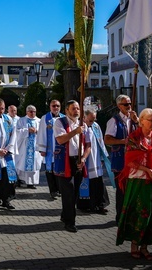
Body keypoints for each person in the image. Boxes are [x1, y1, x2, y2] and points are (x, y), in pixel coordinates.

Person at [115, 108, 152, 260]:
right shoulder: (134, 138)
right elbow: (129, 161)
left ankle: (145, 246)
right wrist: (146, 169)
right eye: (151, 120)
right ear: (141, 121)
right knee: (139, 212)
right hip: (139, 180)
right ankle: (134, 244)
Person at [53, 100, 89, 233]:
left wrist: (84, 158)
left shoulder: (82, 123)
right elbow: (61, 139)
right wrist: (75, 131)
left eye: (78, 108)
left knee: (74, 193)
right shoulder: (60, 122)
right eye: (73, 109)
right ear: (67, 110)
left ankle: (65, 214)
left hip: (78, 161)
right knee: (68, 192)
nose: (76, 111)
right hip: (65, 161)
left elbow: (88, 145)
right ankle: (70, 222)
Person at [105, 94, 138, 220]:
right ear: (119, 106)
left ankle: (130, 215)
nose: (129, 106)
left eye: (130, 104)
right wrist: (123, 141)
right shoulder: (114, 121)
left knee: (133, 189)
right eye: (126, 104)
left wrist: (137, 121)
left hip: (134, 160)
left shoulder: (133, 119)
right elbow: (107, 139)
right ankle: (120, 216)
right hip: (120, 160)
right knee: (121, 190)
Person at [82, 108, 111, 214]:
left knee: (98, 182)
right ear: (84, 117)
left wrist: (103, 157)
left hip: (96, 158)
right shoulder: (80, 127)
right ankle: (87, 205)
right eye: (90, 120)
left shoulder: (96, 126)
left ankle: (100, 204)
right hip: (86, 158)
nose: (92, 122)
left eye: (94, 120)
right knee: (86, 182)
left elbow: (101, 142)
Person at [37, 100, 63, 200]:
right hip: (48, 150)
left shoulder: (63, 118)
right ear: (50, 107)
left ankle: (60, 189)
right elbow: (41, 134)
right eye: (53, 106)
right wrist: (42, 149)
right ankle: (53, 191)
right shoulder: (45, 118)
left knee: (59, 170)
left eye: (57, 106)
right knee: (50, 171)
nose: (56, 108)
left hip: (60, 150)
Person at [15, 105, 42, 189]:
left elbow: (43, 133)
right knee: (22, 163)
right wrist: (27, 130)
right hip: (24, 146)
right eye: (30, 111)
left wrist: (37, 131)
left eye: (34, 111)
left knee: (34, 164)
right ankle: (20, 180)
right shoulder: (21, 120)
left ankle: (31, 183)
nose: (32, 113)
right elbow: (17, 132)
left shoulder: (39, 121)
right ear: (27, 112)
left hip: (35, 147)